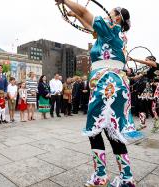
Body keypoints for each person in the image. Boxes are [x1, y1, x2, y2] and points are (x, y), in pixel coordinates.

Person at [56, 1, 138, 186]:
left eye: (111, 12)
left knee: (97, 128)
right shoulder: (113, 34)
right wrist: (74, 14)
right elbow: (88, 23)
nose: (107, 14)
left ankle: (102, 176)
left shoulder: (112, 29)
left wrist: (65, 1)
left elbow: (86, 13)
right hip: (112, 85)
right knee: (110, 130)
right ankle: (125, 176)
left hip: (106, 85)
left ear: (117, 17)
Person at [129, 56, 159, 133]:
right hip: (149, 88)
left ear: (151, 60)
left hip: (156, 87)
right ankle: (142, 124)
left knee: (151, 106)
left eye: (147, 60)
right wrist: (127, 77)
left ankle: (156, 124)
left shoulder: (156, 65)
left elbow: (144, 62)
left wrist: (133, 59)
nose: (146, 61)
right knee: (142, 105)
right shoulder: (148, 70)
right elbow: (136, 77)